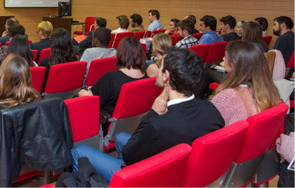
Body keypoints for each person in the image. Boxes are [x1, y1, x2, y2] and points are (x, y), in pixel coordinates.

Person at [71, 48, 224, 182]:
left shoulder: (159, 125)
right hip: (175, 171)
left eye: (159, 66)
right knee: (120, 137)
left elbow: (129, 154)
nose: (155, 68)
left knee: (78, 151)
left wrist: (153, 113)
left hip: (145, 179)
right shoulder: (212, 110)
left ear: (166, 76)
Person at [211, 41, 280, 126]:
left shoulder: (227, 97)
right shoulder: (269, 91)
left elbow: (206, 125)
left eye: (226, 56)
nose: (223, 58)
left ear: (235, 64)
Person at [79, 37, 147, 116]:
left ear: (120, 53)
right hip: (135, 123)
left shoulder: (111, 78)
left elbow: (88, 99)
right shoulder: (146, 77)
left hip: (107, 122)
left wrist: (82, 92)